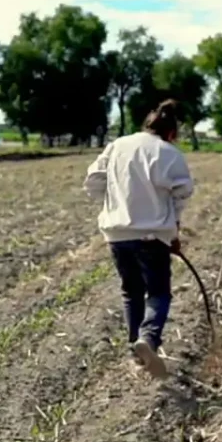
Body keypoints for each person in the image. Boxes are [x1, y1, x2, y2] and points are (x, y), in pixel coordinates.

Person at [84, 99, 194, 379]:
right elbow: (181, 194)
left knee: (131, 292)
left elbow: (94, 181)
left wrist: (114, 204)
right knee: (158, 293)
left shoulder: (117, 145)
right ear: (171, 133)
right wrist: (174, 231)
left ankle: (136, 354)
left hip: (116, 234)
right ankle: (148, 338)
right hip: (151, 235)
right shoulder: (170, 153)